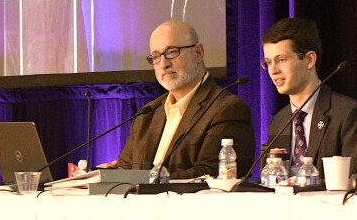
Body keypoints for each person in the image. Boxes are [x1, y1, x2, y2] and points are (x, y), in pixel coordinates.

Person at [108, 20, 254, 178]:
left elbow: (211, 173)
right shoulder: (146, 114)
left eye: (172, 52)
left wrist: (147, 180)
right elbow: (125, 172)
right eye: (156, 57)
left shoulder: (226, 109)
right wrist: (107, 176)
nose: (163, 64)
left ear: (198, 53)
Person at [261, 17, 357, 180]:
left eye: (281, 60)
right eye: (268, 62)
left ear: (309, 60)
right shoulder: (278, 122)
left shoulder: (348, 115)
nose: (273, 70)